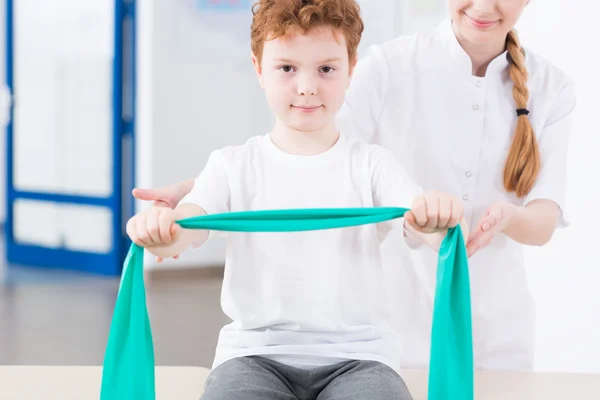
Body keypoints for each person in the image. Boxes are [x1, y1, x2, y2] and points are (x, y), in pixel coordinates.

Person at [133, 0, 576, 372]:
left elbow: (544, 218)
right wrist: (200, 197)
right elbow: (309, 150)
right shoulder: (391, 66)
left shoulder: (552, 88)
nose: (482, 6)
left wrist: (508, 217)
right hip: (391, 330)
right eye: (288, 67)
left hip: (499, 328)